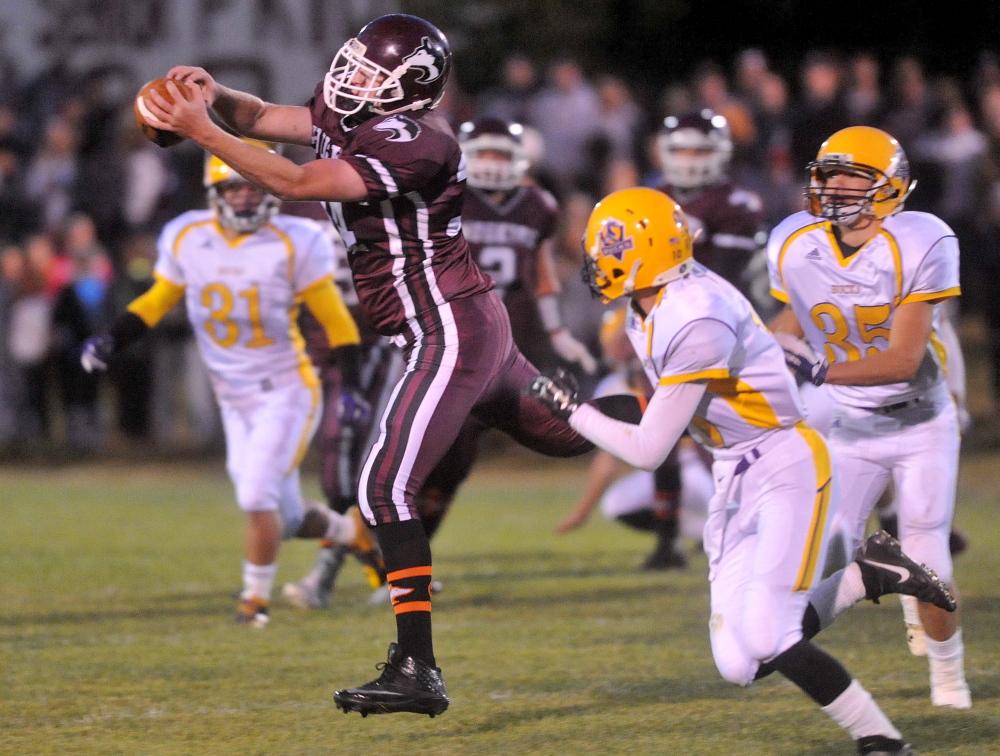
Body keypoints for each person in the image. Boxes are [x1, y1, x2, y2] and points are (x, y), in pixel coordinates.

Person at [141, 14, 621, 717]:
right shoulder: (351, 109)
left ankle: (416, 668)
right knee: (573, 435)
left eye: (371, 74)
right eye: (354, 63)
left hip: (448, 328)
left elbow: (299, 181)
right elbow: (277, 119)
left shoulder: (421, 143)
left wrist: (204, 132)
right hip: (457, 324)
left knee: (383, 487)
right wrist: (217, 97)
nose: (349, 78)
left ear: (412, 89)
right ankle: (679, 407)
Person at [529, 187, 956, 755]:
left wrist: (571, 410)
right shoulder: (647, 304)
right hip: (734, 471)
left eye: (610, 246)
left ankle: (882, 741)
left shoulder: (693, 314)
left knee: (767, 635)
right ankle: (867, 575)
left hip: (784, 463)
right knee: (739, 664)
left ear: (647, 250)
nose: (597, 258)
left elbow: (649, 450)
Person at [80, 143, 379, 628]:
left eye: (253, 187)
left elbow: (335, 320)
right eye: (233, 187)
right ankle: (355, 535)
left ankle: (253, 603)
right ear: (214, 191)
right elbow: (159, 299)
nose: (243, 199)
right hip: (231, 394)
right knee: (287, 517)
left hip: (286, 389)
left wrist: (350, 388)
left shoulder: (296, 239)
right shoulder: (186, 235)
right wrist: (113, 340)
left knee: (256, 497)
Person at [767, 125, 972, 709]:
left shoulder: (921, 240)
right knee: (824, 557)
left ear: (890, 187)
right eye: (829, 174)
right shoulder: (794, 240)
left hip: (919, 422)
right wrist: (752, 358)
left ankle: (948, 678)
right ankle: (785, 638)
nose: (835, 187)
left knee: (928, 555)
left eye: (852, 175)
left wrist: (818, 372)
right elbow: (791, 321)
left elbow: (904, 360)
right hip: (852, 426)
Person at [654, 109, 766, 308]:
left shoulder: (736, 204)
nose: (689, 159)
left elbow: (725, 276)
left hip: (720, 307)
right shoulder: (655, 199)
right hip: (660, 301)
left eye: (700, 151)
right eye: (681, 151)